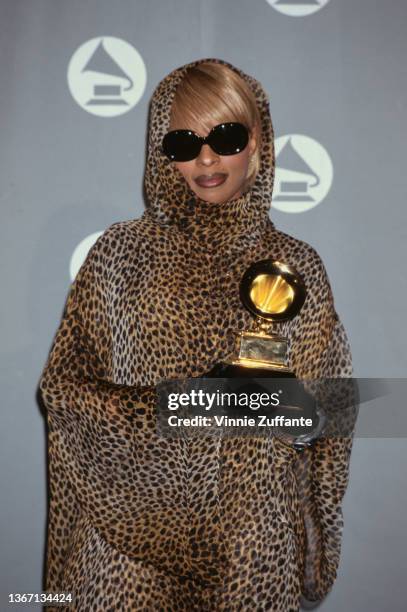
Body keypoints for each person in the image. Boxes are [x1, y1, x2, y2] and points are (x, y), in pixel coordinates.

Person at [39, 58, 356, 611]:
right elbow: (63, 390)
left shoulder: (295, 266)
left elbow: (327, 418)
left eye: (225, 136)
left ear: (256, 140)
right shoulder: (119, 255)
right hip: (125, 557)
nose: (206, 158)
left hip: (249, 555)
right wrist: (183, 406)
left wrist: (293, 422)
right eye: (184, 143)